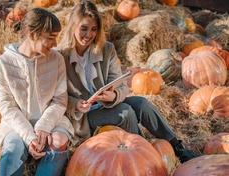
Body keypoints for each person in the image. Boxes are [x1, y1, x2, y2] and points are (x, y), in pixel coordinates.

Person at [59, 0, 197, 163]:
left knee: (142, 104)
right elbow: (56, 96)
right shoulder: (61, 56)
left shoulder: (106, 49)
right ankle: (143, 157)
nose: (89, 34)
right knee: (125, 113)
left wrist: (114, 95)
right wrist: (76, 104)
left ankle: (177, 148)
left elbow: (121, 85)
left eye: (94, 29)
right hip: (81, 115)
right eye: (84, 28)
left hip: (105, 104)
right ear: (73, 26)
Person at [0, 8, 74, 176]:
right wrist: (29, 137)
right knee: (12, 148)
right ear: (32, 34)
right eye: (50, 37)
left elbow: (60, 100)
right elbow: (8, 108)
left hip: (51, 121)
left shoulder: (57, 59)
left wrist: (44, 126)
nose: (55, 44)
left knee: (59, 142)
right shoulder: (2, 65)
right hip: (17, 124)